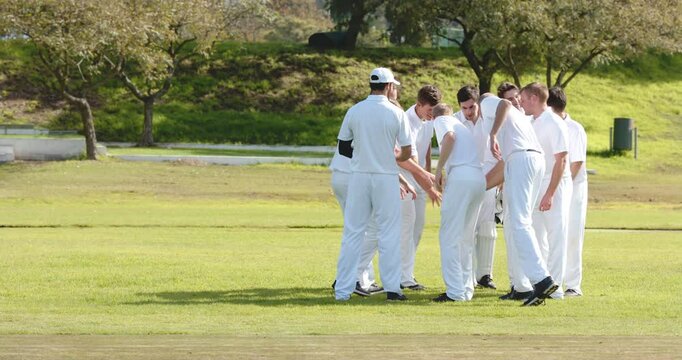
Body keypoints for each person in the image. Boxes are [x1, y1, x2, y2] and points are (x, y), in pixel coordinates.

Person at [334, 67, 412, 301]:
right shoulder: (396, 113)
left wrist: (364, 156)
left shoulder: (355, 110)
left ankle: (343, 291)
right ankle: (393, 289)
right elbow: (407, 151)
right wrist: (391, 158)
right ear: (388, 87)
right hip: (385, 177)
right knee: (388, 233)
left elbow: (344, 147)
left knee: (353, 232)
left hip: (358, 176)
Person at [482, 93, 558, 306]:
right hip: (535, 160)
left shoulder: (486, 103)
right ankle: (532, 285)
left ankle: (542, 280)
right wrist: (478, 188)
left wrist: (492, 135)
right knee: (522, 222)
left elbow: (503, 103)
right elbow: (503, 168)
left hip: (523, 159)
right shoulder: (517, 122)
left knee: (518, 222)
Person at [520, 82, 572, 300]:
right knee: (537, 234)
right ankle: (543, 283)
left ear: (534, 98)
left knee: (556, 234)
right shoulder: (531, 122)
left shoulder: (554, 122)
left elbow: (561, 159)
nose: (521, 103)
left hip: (556, 183)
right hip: (537, 182)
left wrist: (550, 193)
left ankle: (556, 287)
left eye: (523, 99)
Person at [432, 103, 486, 302]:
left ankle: (455, 292)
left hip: (461, 177)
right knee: (465, 237)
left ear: (432, 116)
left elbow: (449, 138)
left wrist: (438, 170)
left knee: (449, 236)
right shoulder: (460, 124)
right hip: (478, 178)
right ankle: (465, 289)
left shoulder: (441, 120)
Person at [396, 85, 442, 291]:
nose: (432, 114)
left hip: (420, 179)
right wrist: (431, 186)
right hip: (405, 179)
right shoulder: (407, 121)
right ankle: (402, 277)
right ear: (419, 104)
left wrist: (428, 182)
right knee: (406, 228)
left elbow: (425, 156)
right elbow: (410, 161)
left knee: (417, 229)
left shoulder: (428, 122)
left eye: (434, 110)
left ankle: (406, 273)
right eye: (429, 110)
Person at [453, 85, 498, 290]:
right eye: (465, 108)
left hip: (489, 177)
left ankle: (485, 274)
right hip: (465, 179)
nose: (469, 112)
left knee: (487, 228)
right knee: (466, 229)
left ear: (478, 103)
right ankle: (467, 276)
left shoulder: (490, 120)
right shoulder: (454, 121)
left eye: (472, 107)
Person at [547, 86, 587, 297]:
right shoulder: (548, 125)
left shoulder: (574, 128)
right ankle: (551, 280)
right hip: (555, 186)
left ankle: (573, 283)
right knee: (554, 234)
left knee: (572, 234)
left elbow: (576, 162)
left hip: (574, 187)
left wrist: (563, 185)